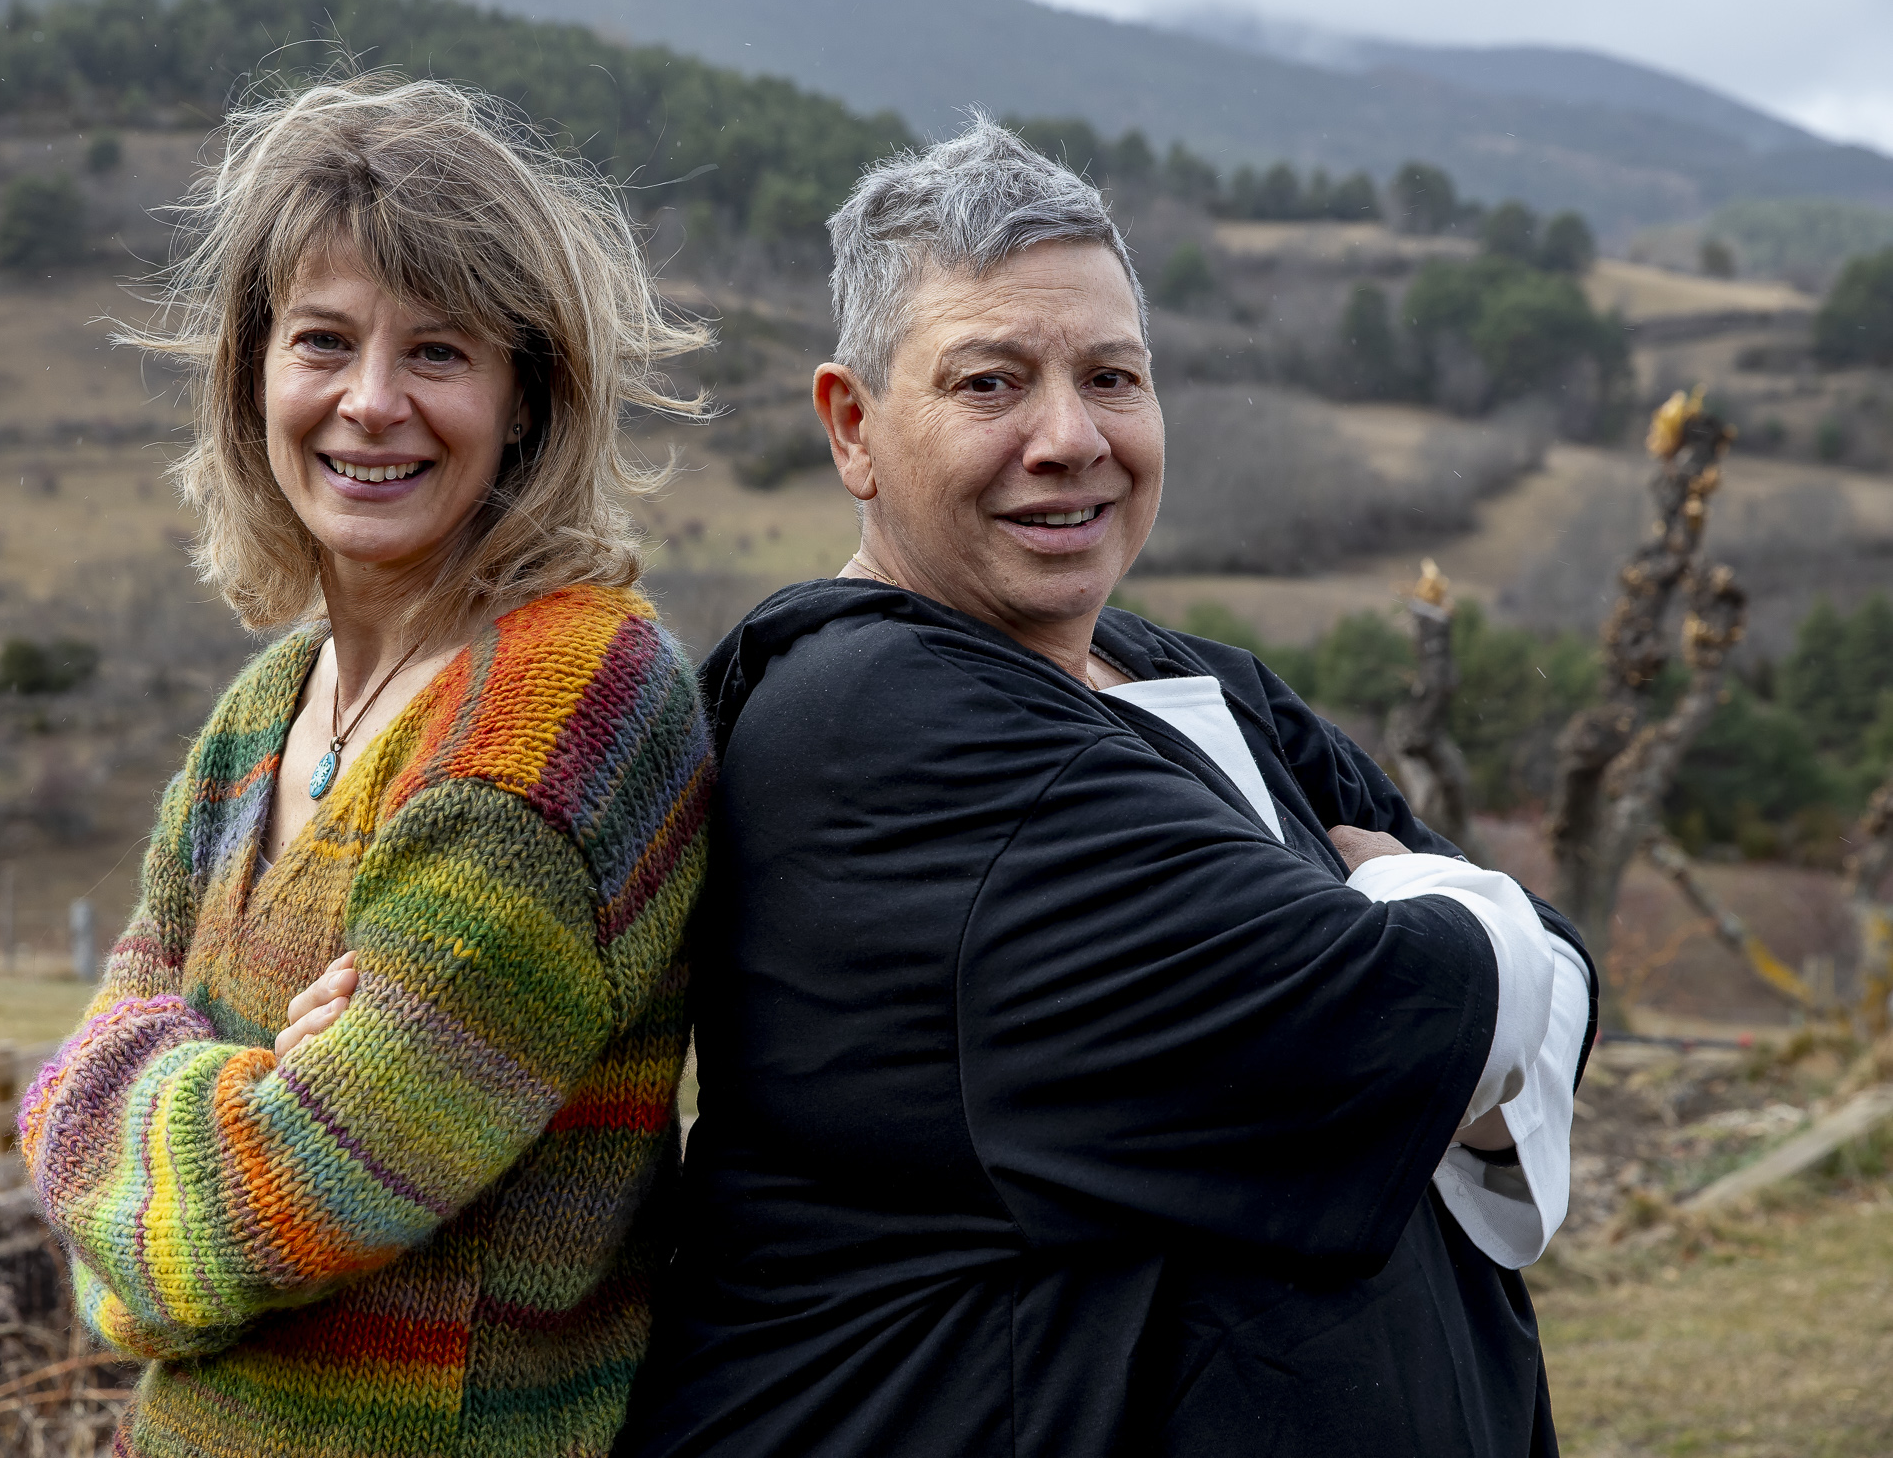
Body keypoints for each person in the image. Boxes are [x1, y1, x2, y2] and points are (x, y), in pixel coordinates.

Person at [618, 121, 1596, 1457]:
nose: (1071, 438)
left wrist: (1454, 938)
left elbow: (1560, 974)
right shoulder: (877, 727)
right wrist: (1439, 909)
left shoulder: (1190, 681)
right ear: (853, 427)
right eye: (990, 383)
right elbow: (1396, 1009)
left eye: (1111, 377)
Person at [18, 76, 715, 1458]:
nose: (371, 404)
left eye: (439, 353)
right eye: (323, 341)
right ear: (253, 376)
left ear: (527, 396)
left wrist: (125, 1113)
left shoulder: (566, 721)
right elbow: (122, 1224)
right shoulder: (262, 711)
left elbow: (241, 1211)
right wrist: (197, 1104)